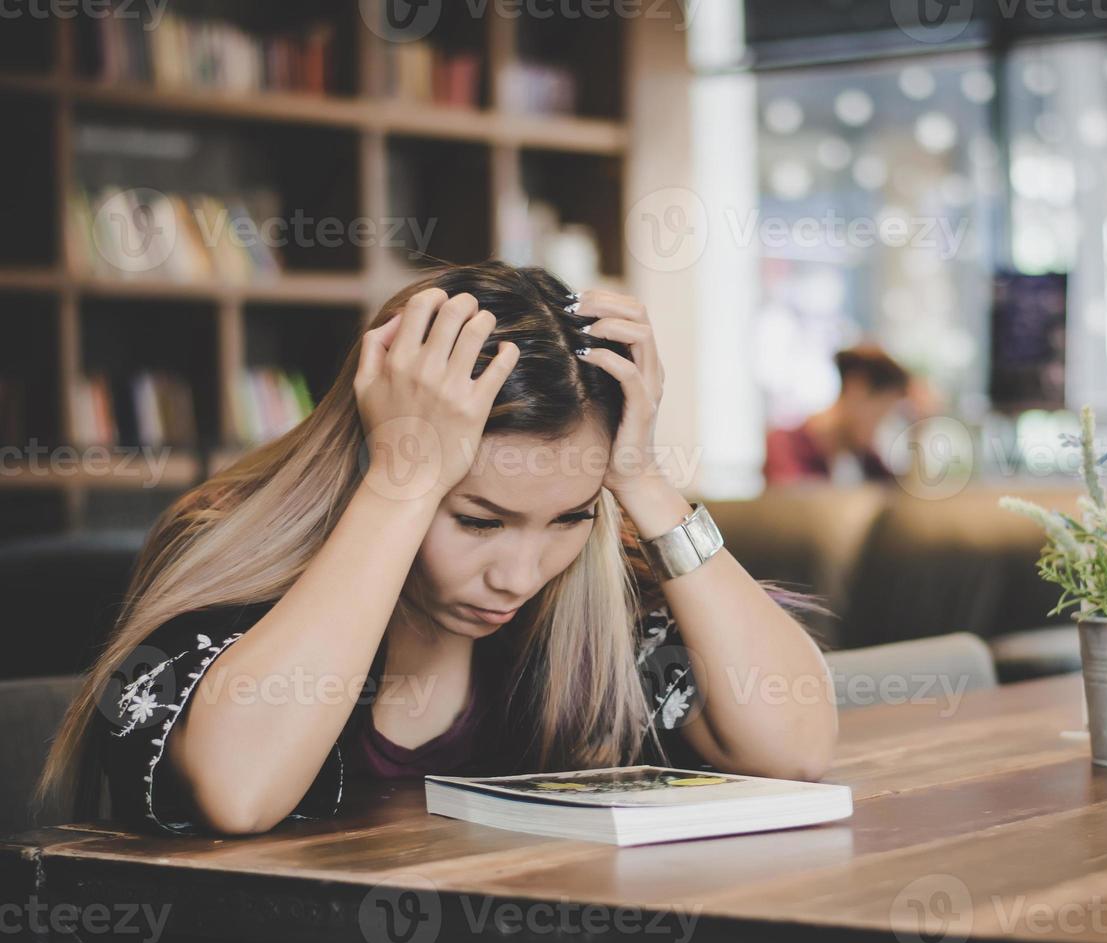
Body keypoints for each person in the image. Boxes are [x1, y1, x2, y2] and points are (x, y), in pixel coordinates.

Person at [37, 261, 837, 837]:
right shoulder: (223, 551)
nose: (519, 576)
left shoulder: (602, 578)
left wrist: (646, 483)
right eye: (478, 521)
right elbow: (239, 792)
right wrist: (403, 479)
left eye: (567, 519)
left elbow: (795, 745)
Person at [763, 343, 911, 487]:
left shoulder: (865, 458)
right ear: (857, 390)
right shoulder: (785, 446)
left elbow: (900, 498)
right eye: (882, 416)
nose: (880, 430)